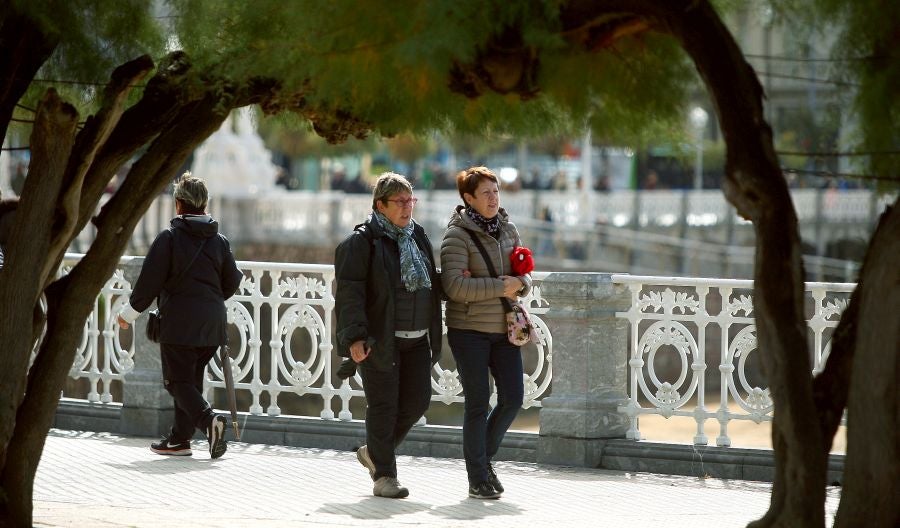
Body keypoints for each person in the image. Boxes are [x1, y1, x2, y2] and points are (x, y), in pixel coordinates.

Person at [117, 172, 242, 459]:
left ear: (178, 205)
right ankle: (179, 440)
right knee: (190, 381)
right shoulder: (219, 241)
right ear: (205, 204)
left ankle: (210, 421)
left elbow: (148, 283)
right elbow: (232, 281)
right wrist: (208, 300)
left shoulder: (170, 239)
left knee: (176, 381)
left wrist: (128, 314)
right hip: (212, 324)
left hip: (179, 324)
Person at [334, 172, 442, 499]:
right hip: (380, 340)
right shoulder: (362, 243)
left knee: (417, 401)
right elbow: (350, 294)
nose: (408, 207)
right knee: (383, 407)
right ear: (380, 205)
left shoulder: (417, 236)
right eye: (400, 201)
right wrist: (354, 338)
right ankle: (385, 476)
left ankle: (375, 453)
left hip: (418, 339)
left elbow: (430, 284)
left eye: (411, 200)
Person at [440, 166, 532, 499]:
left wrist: (520, 283)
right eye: (486, 194)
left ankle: (483, 460)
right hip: (469, 331)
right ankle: (477, 476)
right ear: (468, 198)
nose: (493, 199)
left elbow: (524, 276)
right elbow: (454, 286)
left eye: (496, 192)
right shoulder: (456, 237)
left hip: (504, 328)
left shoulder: (508, 230)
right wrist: (500, 285)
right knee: (478, 403)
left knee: (513, 398)